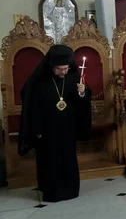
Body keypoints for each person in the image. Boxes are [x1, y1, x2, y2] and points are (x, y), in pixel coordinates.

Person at [18, 45, 92, 202]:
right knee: (49, 161)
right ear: (51, 66)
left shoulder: (73, 77)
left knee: (68, 158)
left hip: (67, 127)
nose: (63, 72)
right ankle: (52, 192)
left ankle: (71, 189)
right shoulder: (40, 81)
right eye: (59, 69)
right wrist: (36, 128)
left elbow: (84, 99)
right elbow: (32, 104)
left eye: (66, 68)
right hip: (47, 129)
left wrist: (82, 92)